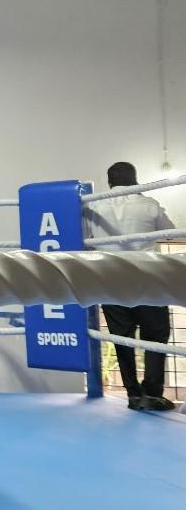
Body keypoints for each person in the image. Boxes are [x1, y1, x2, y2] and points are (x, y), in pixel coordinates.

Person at [84, 161, 177, 412]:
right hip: (147, 279)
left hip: (110, 280)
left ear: (109, 182)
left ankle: (133, 395)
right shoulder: (149, 205)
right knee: (155, 335)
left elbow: (84, 239)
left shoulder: (93, 206)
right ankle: (152, 394)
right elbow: (171, 231)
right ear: (135, 180)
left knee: (121, 339)